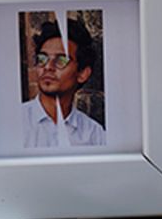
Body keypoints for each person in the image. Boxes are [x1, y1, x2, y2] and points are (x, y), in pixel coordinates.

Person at [21, 18, 106, 148]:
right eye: (42, 59)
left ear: (83, 74)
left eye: (61, 60)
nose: (48, 67)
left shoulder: (94, 134)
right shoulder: (14, 122)